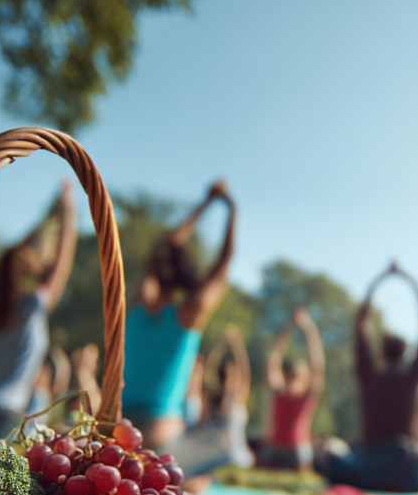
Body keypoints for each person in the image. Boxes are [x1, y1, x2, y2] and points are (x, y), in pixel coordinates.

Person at [0, 182, 78, 439]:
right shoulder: (31, 306)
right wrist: (68, 214)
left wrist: (47, 217)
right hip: (1, 414)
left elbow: (7, 256)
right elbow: (62, 263)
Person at [121, 180, 235, 451]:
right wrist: (231, 209)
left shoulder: (137, 307)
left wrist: (205, 204)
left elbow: (166, 245)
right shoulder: (188, 315)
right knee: (207, 473)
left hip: (121, 427)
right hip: (162, 430)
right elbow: (225, 262)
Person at [317, 263, 418, 492]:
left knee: (330, 457)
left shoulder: (368, 376)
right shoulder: (412, 378)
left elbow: (361, 325)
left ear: (381, 353)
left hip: (369, 469)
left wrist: (377, 282)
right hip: (408, 470)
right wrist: (410, 281)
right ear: (406, 354)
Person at [173, 324, 255, 476]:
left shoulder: (227, 397)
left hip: (230, 456)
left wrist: (228, 344)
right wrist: (232, 344)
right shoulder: (225, 397)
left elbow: (216, 368)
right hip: (223, 457)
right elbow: (243, 370)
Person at [259, 307, 326, 470]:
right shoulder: (279, 392)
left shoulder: (307, 397)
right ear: (287, 375)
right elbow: (273, 359)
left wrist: (309, 328)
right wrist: (289, 326)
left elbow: (317, 366)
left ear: (305, 379)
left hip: (298, 451)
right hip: (273, 449)